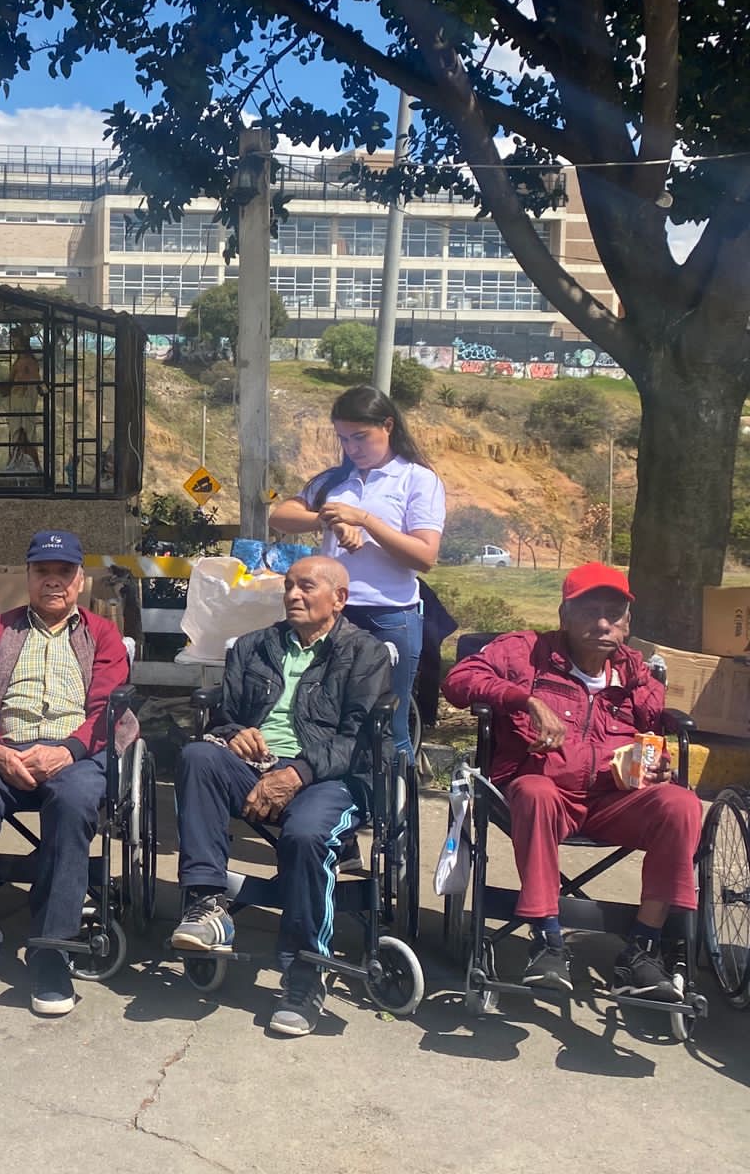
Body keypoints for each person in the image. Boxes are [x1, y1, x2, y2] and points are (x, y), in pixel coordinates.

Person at [441, 562, 700, 1002]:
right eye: (588, 610)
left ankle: (642, 948)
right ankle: (547, 939)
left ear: (627, 622)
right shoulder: (524, 651)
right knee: (535, 790)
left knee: (681, 804)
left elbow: (654, 739)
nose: (602, 623)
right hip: (544, 795)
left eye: (613, 613)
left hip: (615, 800)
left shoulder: (637, 675)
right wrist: (525, 698)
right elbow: (458, 680)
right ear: (563, 614)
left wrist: (660, 766)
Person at [169, 556, 392, 1037]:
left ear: (340, 598)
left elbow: (357, 741)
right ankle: (207, 906)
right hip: (255, 766)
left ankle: (305, 974)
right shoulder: (253, 647)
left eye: (307, 587)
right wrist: (235, 734)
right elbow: (225, 716)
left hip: (330, 777)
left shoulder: (365, 653)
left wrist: (298, 772)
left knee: (307, 832)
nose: (293, 595)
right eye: (288, 586)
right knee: (198, 758)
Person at [0, 529, 132, 1018]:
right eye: (44, 572)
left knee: (75, 802)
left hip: (75, 755)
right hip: (5, 750)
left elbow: (108, 709)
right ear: (28, 578)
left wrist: (68, 750)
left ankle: (51, 950)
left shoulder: (102, 636)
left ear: (80, 581)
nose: (54, 583)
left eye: (64, 573)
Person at [269, 385, 445, 762]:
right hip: (331, 614)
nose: (352, 448)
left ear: (388, 425)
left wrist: (364, 521)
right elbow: (279, 516)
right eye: (343, 439)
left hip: (389, 615)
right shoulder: (335, 480)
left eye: (361, 437)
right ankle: (339, 800)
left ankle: (396, 810)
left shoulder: (418, 479)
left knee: (387, 720)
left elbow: (425, 555)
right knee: (326, 714)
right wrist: (328, 519)